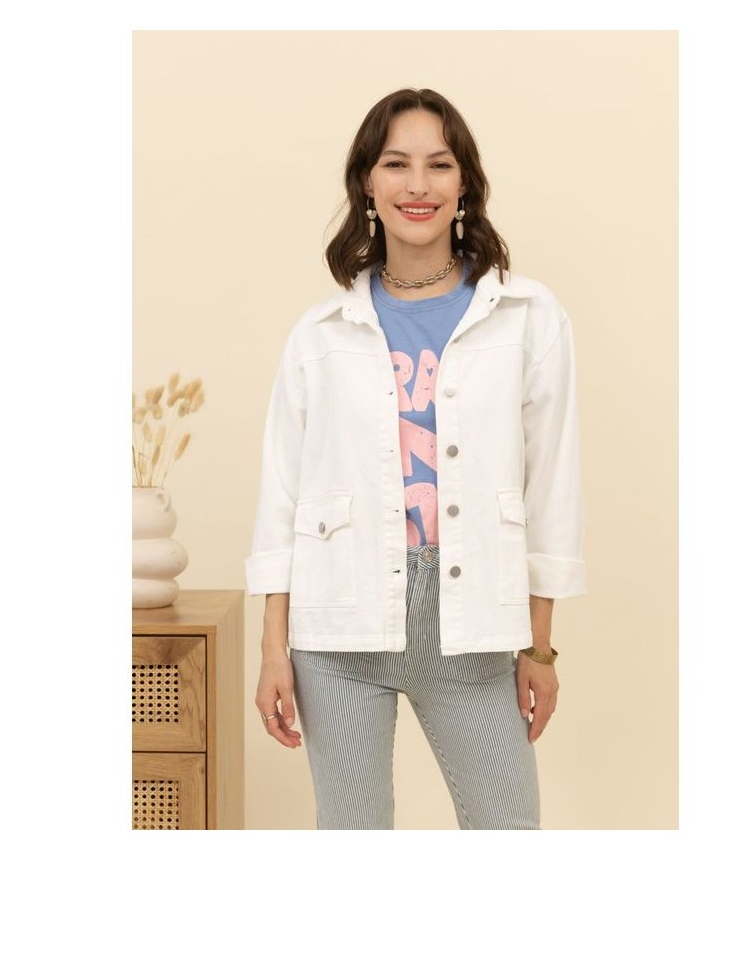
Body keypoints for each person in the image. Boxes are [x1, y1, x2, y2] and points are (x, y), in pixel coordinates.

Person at [245, 87, 585, 829]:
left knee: (508, 827)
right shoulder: (320, 333)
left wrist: (541, 648)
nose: (418, 185)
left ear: (465, 183)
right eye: (396, 164)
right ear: (368, 183)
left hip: (471, 615)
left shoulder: (527, 317)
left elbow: (552, 488)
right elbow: (282, 496)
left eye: (439, 164)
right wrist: (274, 650)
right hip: (338, 620)